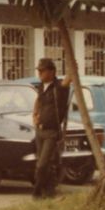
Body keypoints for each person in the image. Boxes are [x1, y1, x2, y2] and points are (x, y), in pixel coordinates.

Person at [31, 57, 72, 199]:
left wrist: (73, 68)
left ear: (52, 71)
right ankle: (48, 193)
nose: (40, 74)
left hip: (51, 132)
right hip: (40, 130)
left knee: (42, 165)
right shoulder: (42, 86)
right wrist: (34, 115)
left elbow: (68, 80)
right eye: (39, 71)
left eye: (42, 71)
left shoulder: (59, 87)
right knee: (42, 164)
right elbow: (38, 100)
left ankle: (36, 191)